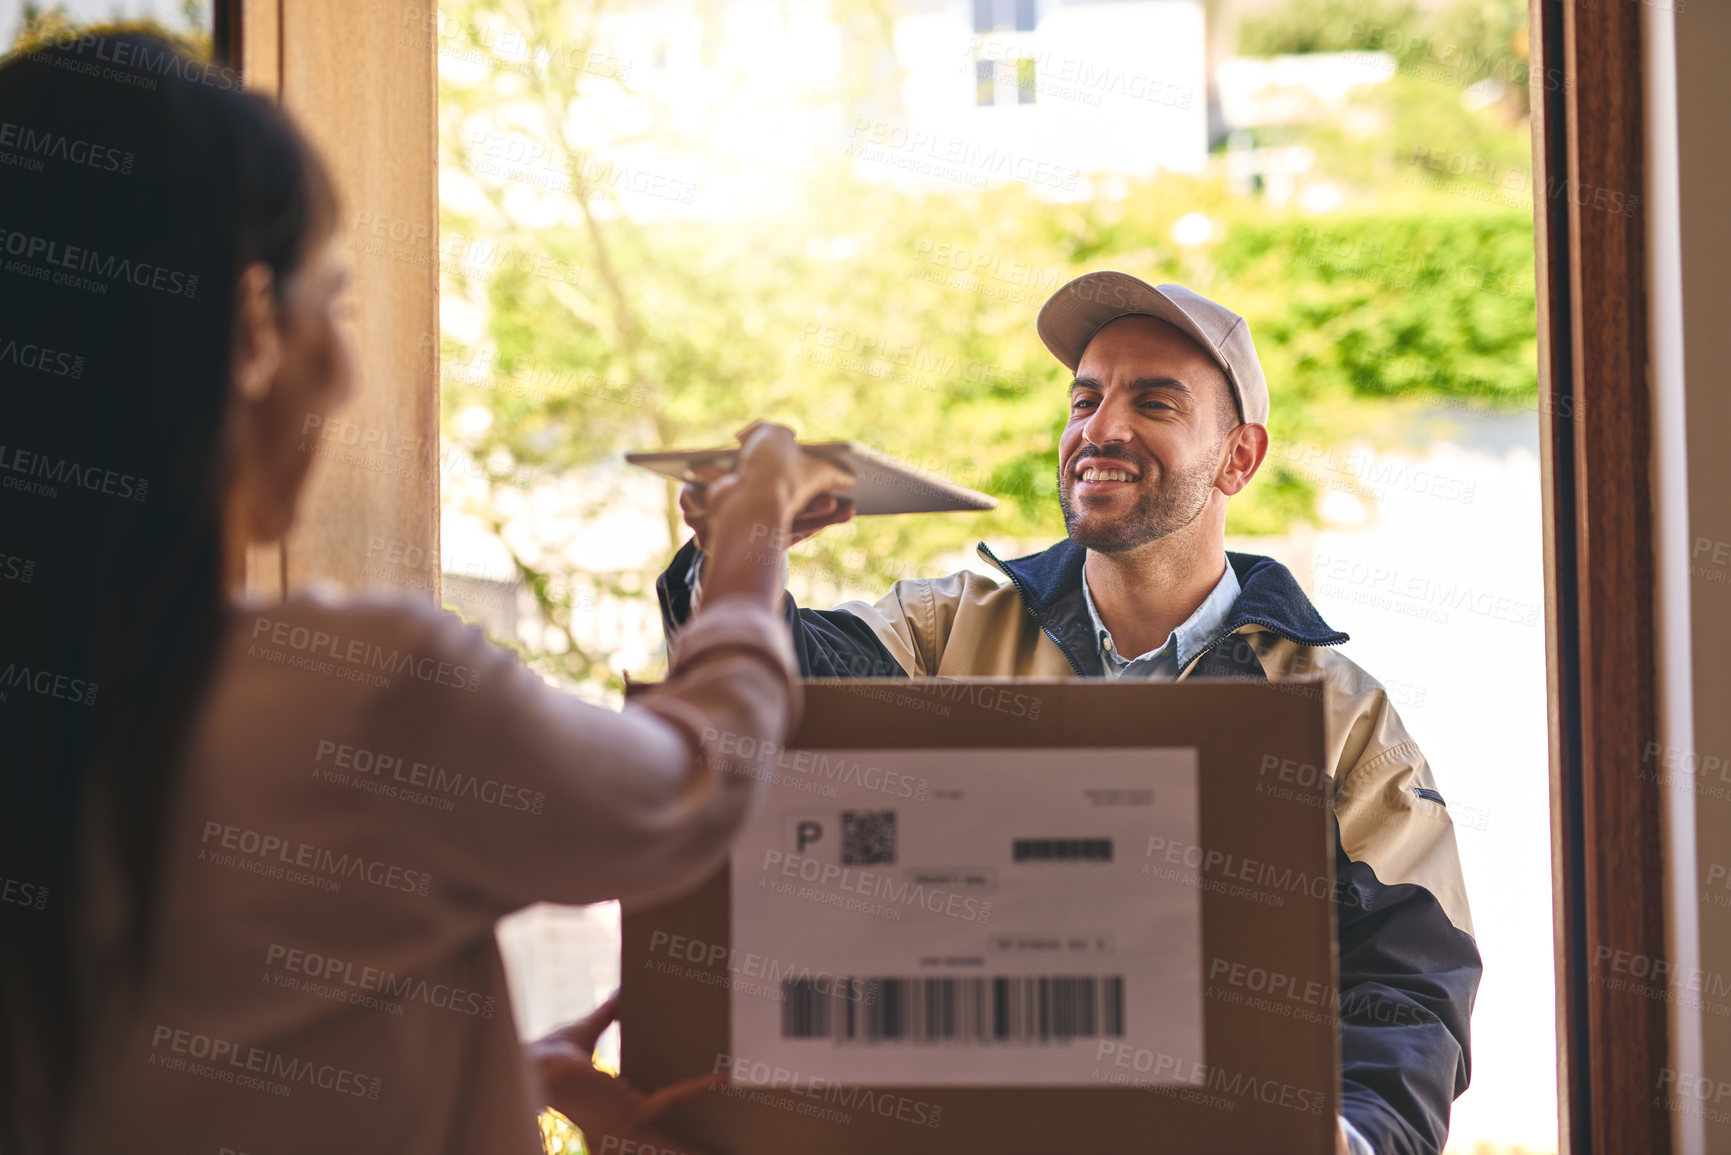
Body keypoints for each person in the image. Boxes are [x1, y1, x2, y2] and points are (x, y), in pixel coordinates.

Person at [0, 30, 853, 1155]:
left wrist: (492, 1073)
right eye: (337, 303)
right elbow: (696, 785)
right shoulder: (350, 692)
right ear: (257, 332)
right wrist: (750, 540)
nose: (347, 370)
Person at [659, 272, 1481, 1155]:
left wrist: (1352, 1139)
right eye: (1084, 399)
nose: (1101, 427)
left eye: (1155, 402)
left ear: (1239, 457)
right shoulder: (942, 635)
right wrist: (734, 557)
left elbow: (1410, 986)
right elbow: (767, 705)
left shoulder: (1337, 716)